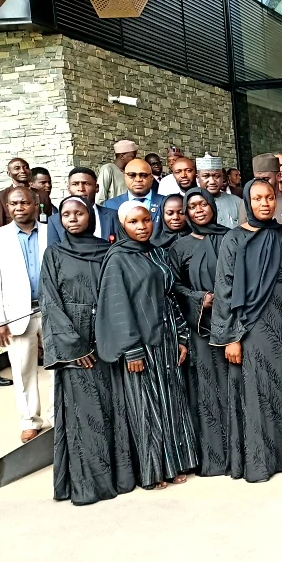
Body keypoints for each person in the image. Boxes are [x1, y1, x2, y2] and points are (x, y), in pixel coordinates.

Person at [95, 202, 198, 489]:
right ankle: (153, 472)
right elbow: (117, 306)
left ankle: (176, 463)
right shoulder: (117, 259)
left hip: (165, 338)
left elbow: (169, 296)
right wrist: (131, 349)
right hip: (140, 344)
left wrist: (181, 337)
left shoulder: (157, 252)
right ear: (122, 226)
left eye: (145, 220)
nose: (142, 226)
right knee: (147, 407)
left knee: (171, 403)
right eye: (133, 222)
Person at [41, 196, 134, 505]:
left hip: (108, 341)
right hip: (75, 348)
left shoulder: (107, 251)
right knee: (85, 416)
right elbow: (50, 303)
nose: (72, 218)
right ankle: (88, 486)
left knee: (114, 409)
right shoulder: (53, 254)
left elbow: (120, 295)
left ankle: (119, 478)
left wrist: (113, 337)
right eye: (66, 214)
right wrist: (73, 346)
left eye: (78, 213)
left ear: (89, 216)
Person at [210, 180, 282, 482]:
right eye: (257, 198)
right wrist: (231, 337)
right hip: (249, 328)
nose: (265, 203)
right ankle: (260, 462)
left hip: (281, 323)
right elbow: (225, 288)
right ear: (247, 202)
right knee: (257, 395)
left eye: (269, 197)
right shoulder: (234, 239)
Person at [168, 188, 232, 477]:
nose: (199, 210)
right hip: (200, 329)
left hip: (233, 324)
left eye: (203, 204)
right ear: (187, 213)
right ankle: (212, 458)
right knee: (206, 389)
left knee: (233, 387)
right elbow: (173, 287)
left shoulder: (230, 237)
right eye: (192, 206)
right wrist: (198, 298)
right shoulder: (179, 247)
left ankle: (237, 454)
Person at [0, 186, 49, 441]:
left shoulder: (52, 232)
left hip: (51, 312)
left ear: (35, 204)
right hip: (17, 316)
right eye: (13, 204)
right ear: (7, 207)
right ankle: (30, 420)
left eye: (24, 203)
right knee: (23, 369)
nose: (18, 208)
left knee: (58, 368)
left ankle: (58, 415)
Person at [48, 168, 120, 245]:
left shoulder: (114, 215)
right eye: (75, 184)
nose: (81, 189)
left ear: (97, 188)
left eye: (86, 184)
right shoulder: (54, 221)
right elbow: (53, 253)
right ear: (68, 189)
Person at [102, 158, 167, 231]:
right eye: (132, 175)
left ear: (151, 178)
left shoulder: (166, 203)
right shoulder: (110, 205)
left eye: (143, 175)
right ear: (125, 177)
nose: (138, 179)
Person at [0, 157, 53, 229]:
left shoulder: (43, 195)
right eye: (17, 168)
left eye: (26, 167)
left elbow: (48, 222)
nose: (23, 171)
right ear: (9, 173)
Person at [252, 153, 282, 231]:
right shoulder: (247, 203)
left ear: (278, 176)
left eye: (266, 179)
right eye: (257, 180)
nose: (261, 183)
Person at [198, 154, 245, 229]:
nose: (212, 181)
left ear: (222, 178)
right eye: (206, 176)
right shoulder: (191, 204)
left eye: (216, 176)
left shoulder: (238, 202)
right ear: (198, 178)